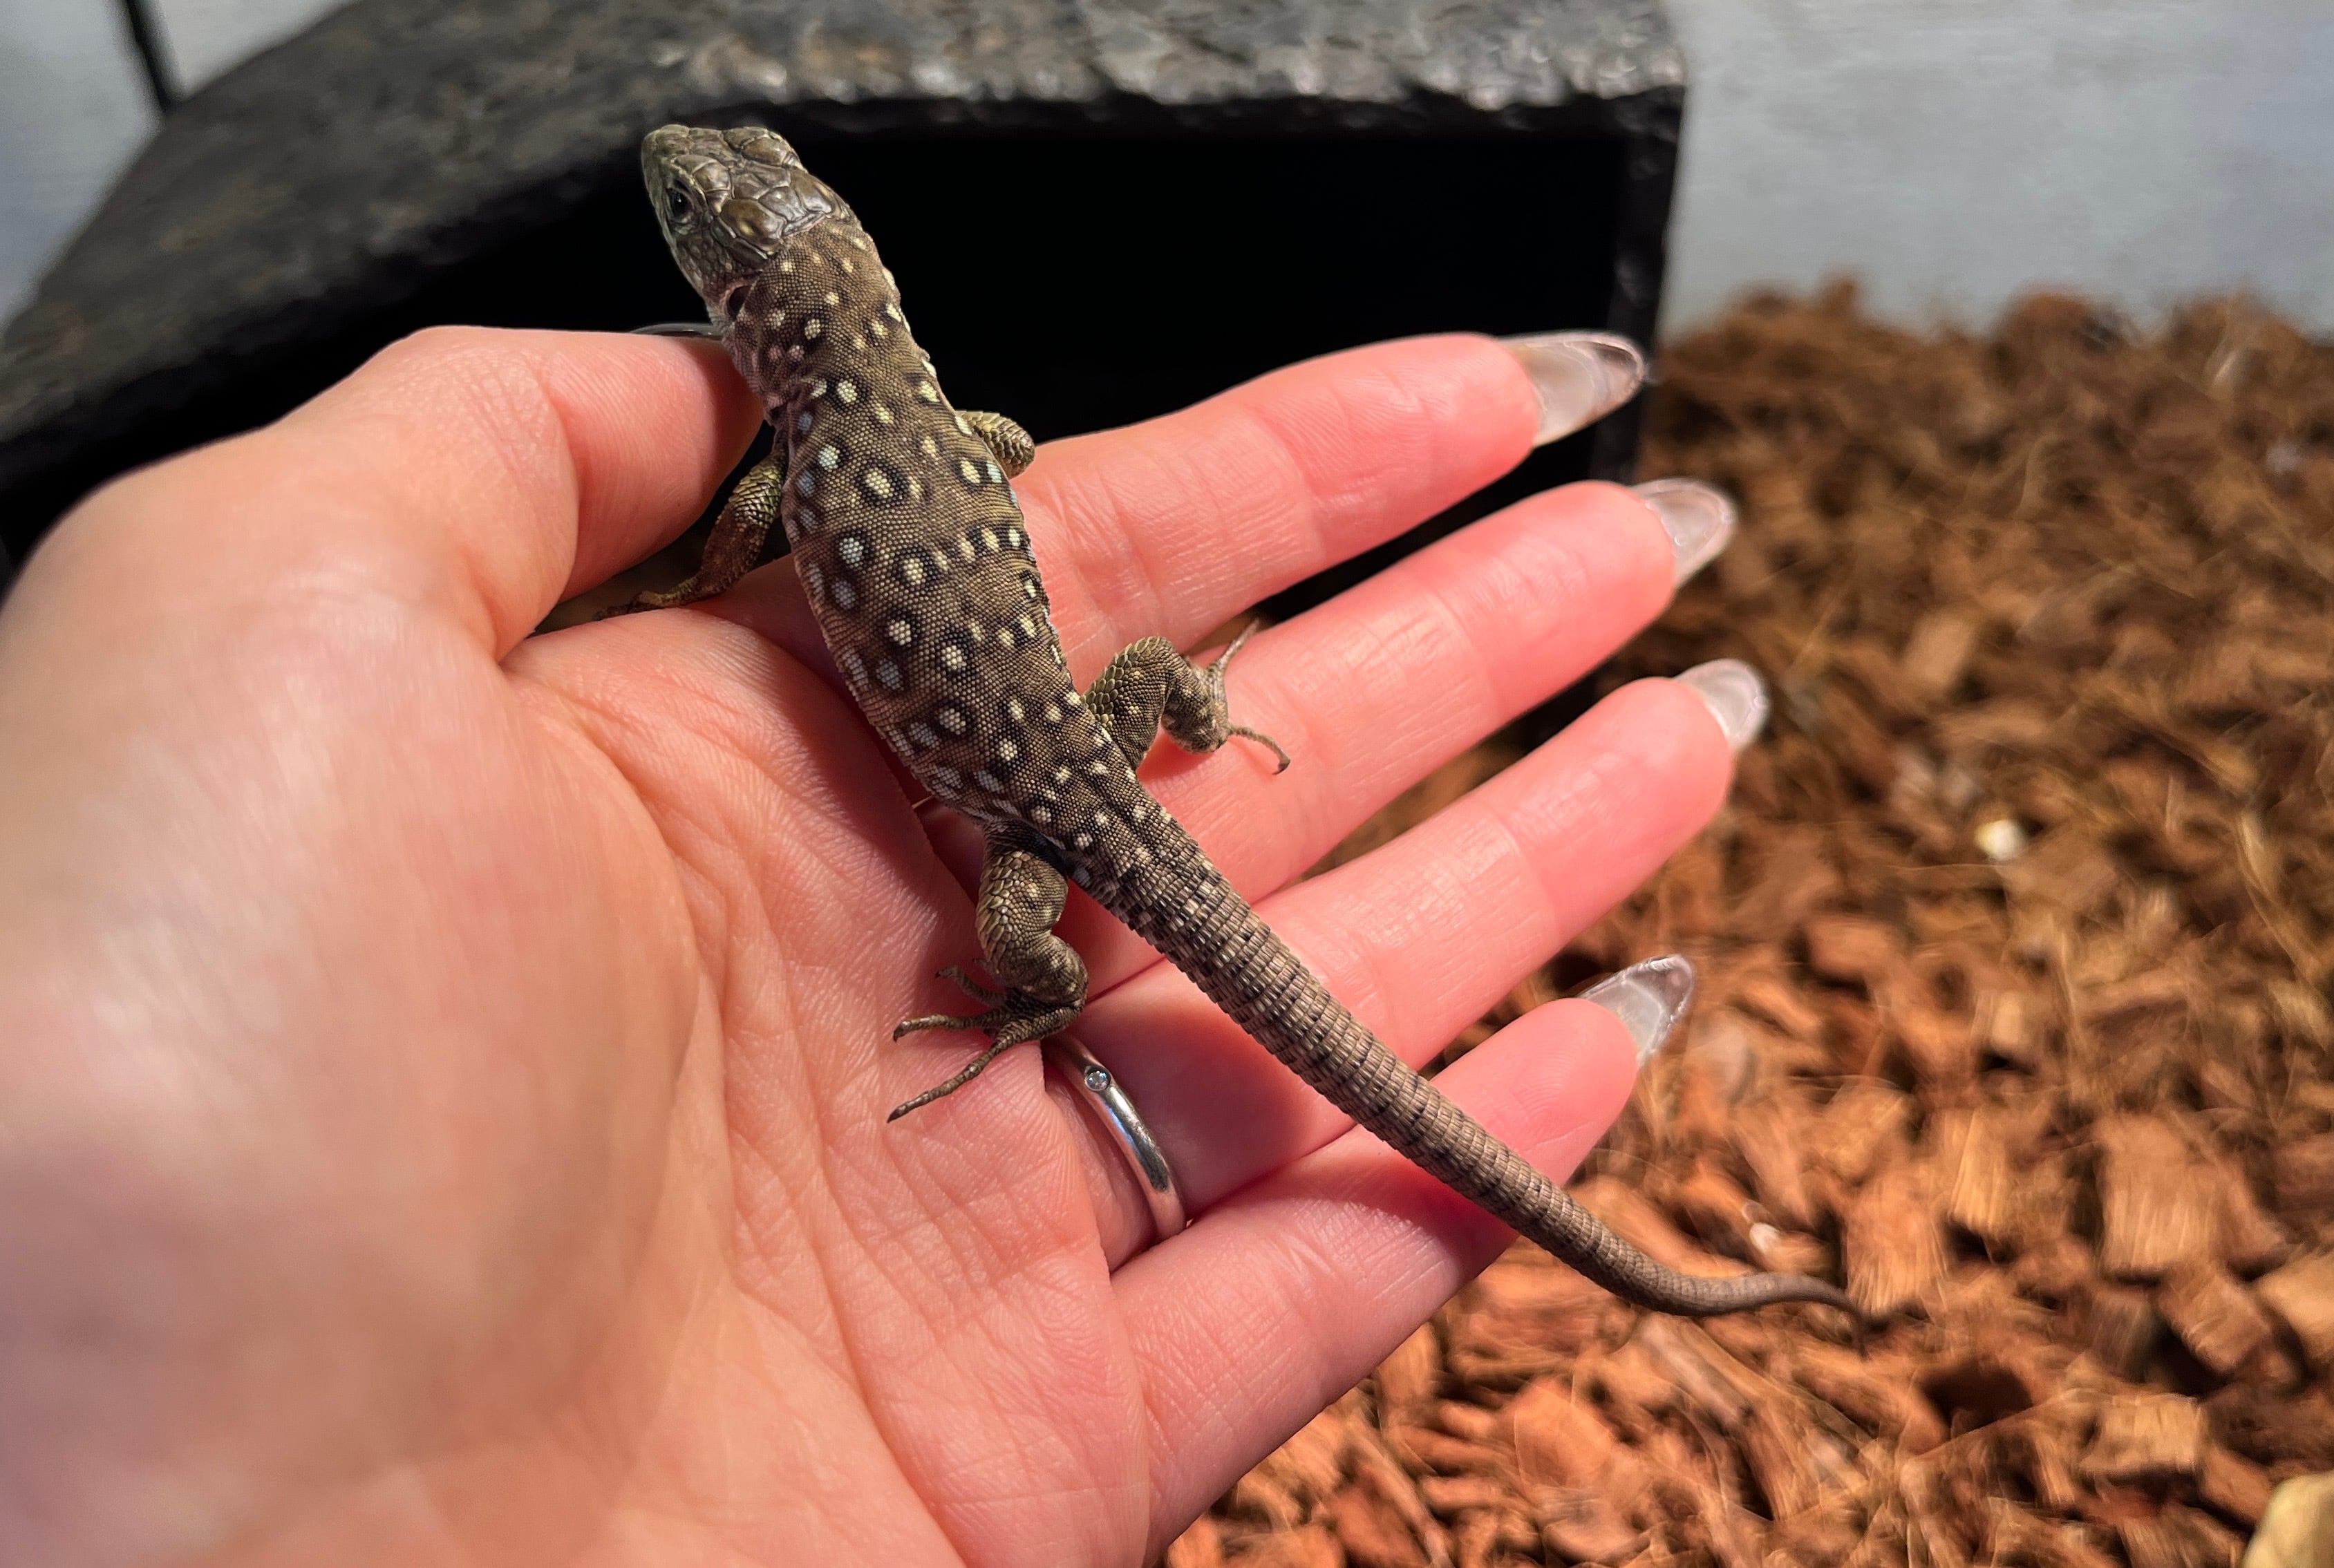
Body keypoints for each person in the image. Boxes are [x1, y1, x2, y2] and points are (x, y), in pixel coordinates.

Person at [0, 325, 1758, 1564]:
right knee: (1151, 700)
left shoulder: (798, 465)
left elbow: (744, 535)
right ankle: (1204, 724)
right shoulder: (941, 413)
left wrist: (705, 580)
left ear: (754, 310)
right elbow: (1001, 449)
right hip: (1096, 754)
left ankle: (1036, 1005)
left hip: (1048, 827)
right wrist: (1186, 708)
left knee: (1017, 955)